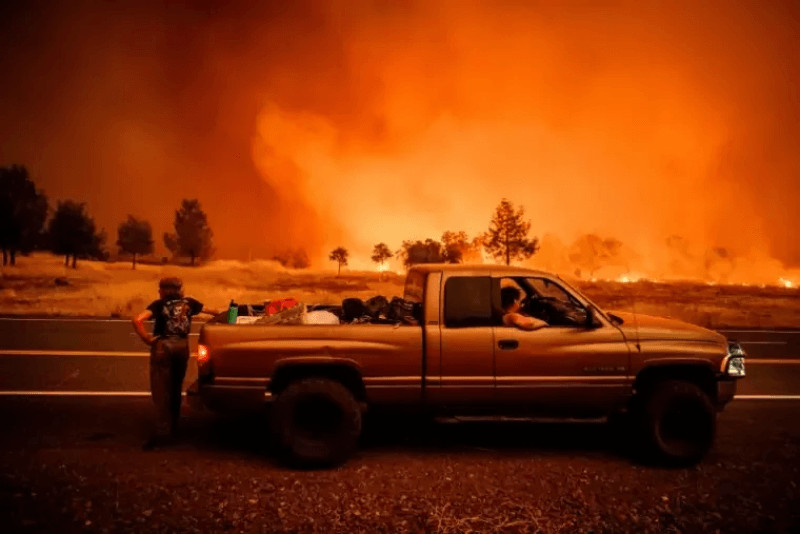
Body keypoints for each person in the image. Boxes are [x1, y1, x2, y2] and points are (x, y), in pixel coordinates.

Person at [132, 277, 221, 450]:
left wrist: (147, 339)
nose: (159, 292)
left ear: (165, 290)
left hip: (163, 347)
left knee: (161, 391)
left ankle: (162, 433)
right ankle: (174, 426)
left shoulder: (158, 305)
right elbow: (214, 311)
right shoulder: (189, 303)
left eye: (160, 289)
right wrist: (234, 313)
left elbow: (137, 320)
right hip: (182, 347)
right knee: (175, 387)